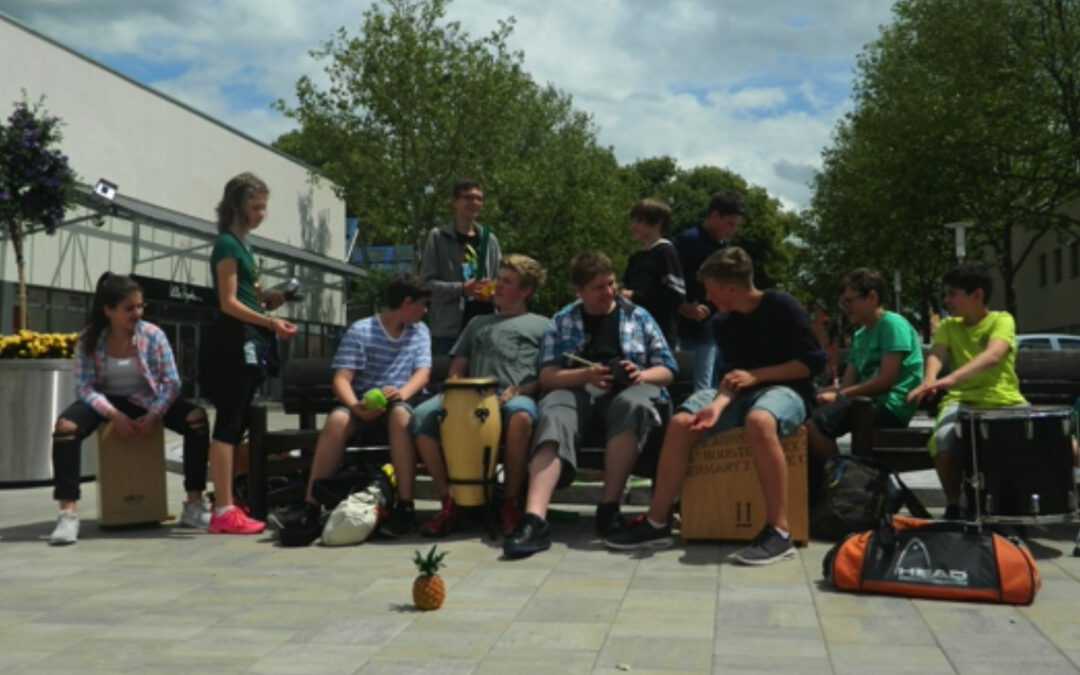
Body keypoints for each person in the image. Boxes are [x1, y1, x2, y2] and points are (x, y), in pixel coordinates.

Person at [604, 247, 824, 565]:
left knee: (759, 421)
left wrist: (756, 375)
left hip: (788, 388)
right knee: (682, 423)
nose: (708, 298)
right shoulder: (723, 323)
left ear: (731, 289)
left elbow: (811, 364)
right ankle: (657, 521)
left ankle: (779, 531)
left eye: (711, 290)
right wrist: (717, 407)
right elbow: (731, 378)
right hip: (741, 392)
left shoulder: (781, 306)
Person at [504, 251, 676, 557]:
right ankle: (534, 519)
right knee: (555, 411)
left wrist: (641, 374)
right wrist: (584, 374)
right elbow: (547, 376)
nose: (608, 292)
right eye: (598, 287)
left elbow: (667, 369)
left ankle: (608, 508)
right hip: (577, 390)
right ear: (579, 291)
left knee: (632, 405)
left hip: (631, 392)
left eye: (610, 284)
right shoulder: (563, 320)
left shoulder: (638, 316)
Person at [48, 273, 211, 545]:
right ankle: (68, 514)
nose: (137, 313)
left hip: (147, 400)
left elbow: (171, 383)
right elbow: (84, 388)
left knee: (197, 419)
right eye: (129, 308)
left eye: (140, 306)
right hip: (105, 401)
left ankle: (194, 504)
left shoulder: (153, 335)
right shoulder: (89, 338)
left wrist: (154, 414)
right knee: (65, 429)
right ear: (108, 310)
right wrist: (114, 415)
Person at [412, 254, 549, 537]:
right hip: (470, 397)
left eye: (507, 282)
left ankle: (510, 503)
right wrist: (457, 391)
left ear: (526, 291)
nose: (498, 286)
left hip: (515, 395)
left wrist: (522, 390)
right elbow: (457, 368)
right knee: (422, 416)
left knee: (522, 417)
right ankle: (450, 501)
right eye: (499, 279)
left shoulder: (543, 325)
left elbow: (546, 375)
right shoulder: (477, 322)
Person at [201, 172, 298, 535]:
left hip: (249, 338)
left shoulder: (244, 245)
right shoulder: (226, 244)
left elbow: (244, 297)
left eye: (263, 208)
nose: (261, 214)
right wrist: (271, 323)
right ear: (237, 206)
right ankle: (223, 507)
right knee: (228, 422)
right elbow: (227, 302)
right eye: (256, 207)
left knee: (239, 421)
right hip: (231, 340)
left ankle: (229, 499)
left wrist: (268, 302)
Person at [299, 275, 433, 538]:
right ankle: (311, 505)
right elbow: (342, 378)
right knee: (337, 421)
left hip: (399, 405)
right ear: (407, 303)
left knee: (400, 416)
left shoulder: (420, 331)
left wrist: (401, 394)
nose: (425, 311)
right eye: (423, 304)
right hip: (363, 405)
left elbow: (422, 374)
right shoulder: (361, 331)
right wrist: (355, 405)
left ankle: (405, 507)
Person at [907, 262, 1027, 520]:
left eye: (952, 294)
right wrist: (929, 381)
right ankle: (953, 504)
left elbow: (993, 356)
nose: (946, 300)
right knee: (942, 443)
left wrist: (951, 378)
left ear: (977, 295)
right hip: (961, 402)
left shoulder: (1002, 320)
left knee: (1063, 444)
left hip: (1005, 401)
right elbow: (936, 355)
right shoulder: (949, 327)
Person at [808, 268, 923, 460]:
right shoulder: (860, 336)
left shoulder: (892, 324)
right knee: (803, 412)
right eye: (842, 302)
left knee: (813, 425)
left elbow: (887, 379)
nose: (845, 307)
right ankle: (822, 481)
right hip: (865, 402)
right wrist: (816, 394)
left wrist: (840, 397)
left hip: (889, 406)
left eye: (850, 301)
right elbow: (846, 385)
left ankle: (841, 477)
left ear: (872, 297)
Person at [673, 190, 746, 390]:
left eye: (736, 226)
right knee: (700, 388)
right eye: (730, 224)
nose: (732, 231)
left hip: (718, 327)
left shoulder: (725, 245)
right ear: (714, 216)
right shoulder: (688, 241)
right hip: (692, 330)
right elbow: (668, 280)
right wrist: (684, 306)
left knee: (717, 385)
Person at [420, 181, 503, 355]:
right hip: (451, 330)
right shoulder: (438, 237)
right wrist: (463, 289)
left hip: (486, 325)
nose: (474, 203)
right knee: (453, 380)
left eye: (479, 199)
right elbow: (426, 285)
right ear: (455, 202)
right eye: (468, 198)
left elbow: (500, 280)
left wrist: (493, 292)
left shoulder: (489, 239)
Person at [620, 198, 685, 348]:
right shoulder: (636, 258)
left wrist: (635, 296)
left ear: (657, 223)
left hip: (659, 334)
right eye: (634, 221)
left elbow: (675, 295)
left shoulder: (666, 252)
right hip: (635, 333)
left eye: (640, 221)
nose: (634, 226)